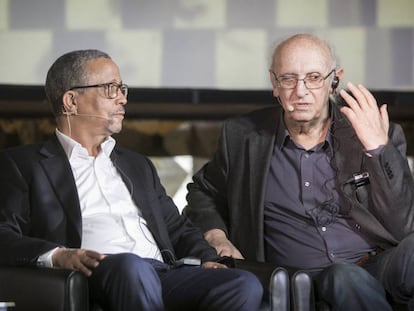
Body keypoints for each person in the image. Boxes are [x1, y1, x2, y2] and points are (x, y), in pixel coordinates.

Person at [0, 49, 263, 311]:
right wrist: (58, 256)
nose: (123, 99)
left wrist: (206, 259)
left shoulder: (136, 164)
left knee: (241, 283)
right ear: (71, 101)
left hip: (163, 272)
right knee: (132, 266)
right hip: (99, 274)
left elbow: (177, 228)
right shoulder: (24, 165)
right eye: (110, 88)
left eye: (122, 88)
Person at [184, 33, 414, 310]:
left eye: (314, 77)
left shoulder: (374, 131)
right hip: (303, 278)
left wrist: (378, 150)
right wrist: (216, 235)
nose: (301, 91)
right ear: (274, 84)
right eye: (289, 79)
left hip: (381, 261)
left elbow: (404, 226)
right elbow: (203, 192)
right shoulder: (243, 137)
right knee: (345, 276)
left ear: (334, 80)